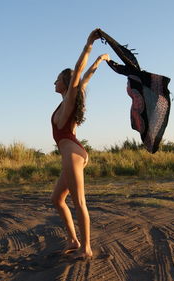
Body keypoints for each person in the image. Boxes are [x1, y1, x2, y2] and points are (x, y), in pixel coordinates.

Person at [51, 28, 109, 260]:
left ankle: (86, 248)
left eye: (57, 79)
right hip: (72, 153)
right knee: (57, 199)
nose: (53, 82)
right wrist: (100, 60)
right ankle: (73, 240)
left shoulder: (69, 100)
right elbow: (88, 76)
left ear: (65, 83)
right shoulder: (67, 102)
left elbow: (79, 72)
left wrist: (89, 43)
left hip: (73, 154)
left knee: (79, 202)